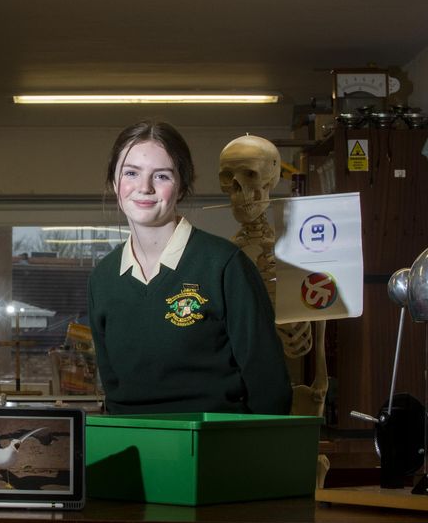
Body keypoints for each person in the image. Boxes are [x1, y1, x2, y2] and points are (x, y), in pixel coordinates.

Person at [87, 121, 292, 415]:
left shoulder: (224, 265)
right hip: (133, 447)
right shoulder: (102, 279)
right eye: (131, 173)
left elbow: (269, 384)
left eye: (161, 176)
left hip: (215, 449)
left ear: (182, 185)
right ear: (113, 182)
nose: (144, 188)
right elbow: (113, 385)